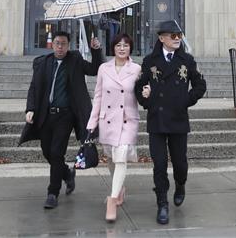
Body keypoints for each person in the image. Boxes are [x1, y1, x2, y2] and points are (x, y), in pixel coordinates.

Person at [19, 30, 103, 210]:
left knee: (57, 152)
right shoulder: (43, 63)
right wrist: (30, 108)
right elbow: (34, 87)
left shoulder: (75, 60)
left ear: (68, 45)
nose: (60, 47)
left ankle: (52, 193)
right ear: (53, 44)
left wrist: (96, 50)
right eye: (57, 43)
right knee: (47, 152)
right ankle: (66, 173)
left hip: (65, 116)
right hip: (46, 115)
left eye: (63, 44)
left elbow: (95, 69)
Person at [134, 20, 207, 225]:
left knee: (180, 162)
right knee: (159, 164)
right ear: (162, 38)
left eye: (179, 35)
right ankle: (162, 203)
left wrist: (186, 100)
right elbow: (138, 86)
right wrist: (147, 101)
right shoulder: (150, 61)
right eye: (173, 35)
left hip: (178, 119)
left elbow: (200, 85)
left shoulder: (187, 60)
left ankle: (180, 185)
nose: (177, 39)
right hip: (157, 119)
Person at [86, 33, 141, 222]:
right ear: (113, 48)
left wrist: (147, 92)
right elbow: (98, 97)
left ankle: (112, 198)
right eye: (118, 45)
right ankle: (120, 189)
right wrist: (92, 123)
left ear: (130, 48)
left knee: (121, 155)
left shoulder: (136, 69)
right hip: (107, 119)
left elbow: (141, 91)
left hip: (127, 120)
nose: (122, 48)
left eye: (126, 45)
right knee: (111, 157)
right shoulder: (104, 68)